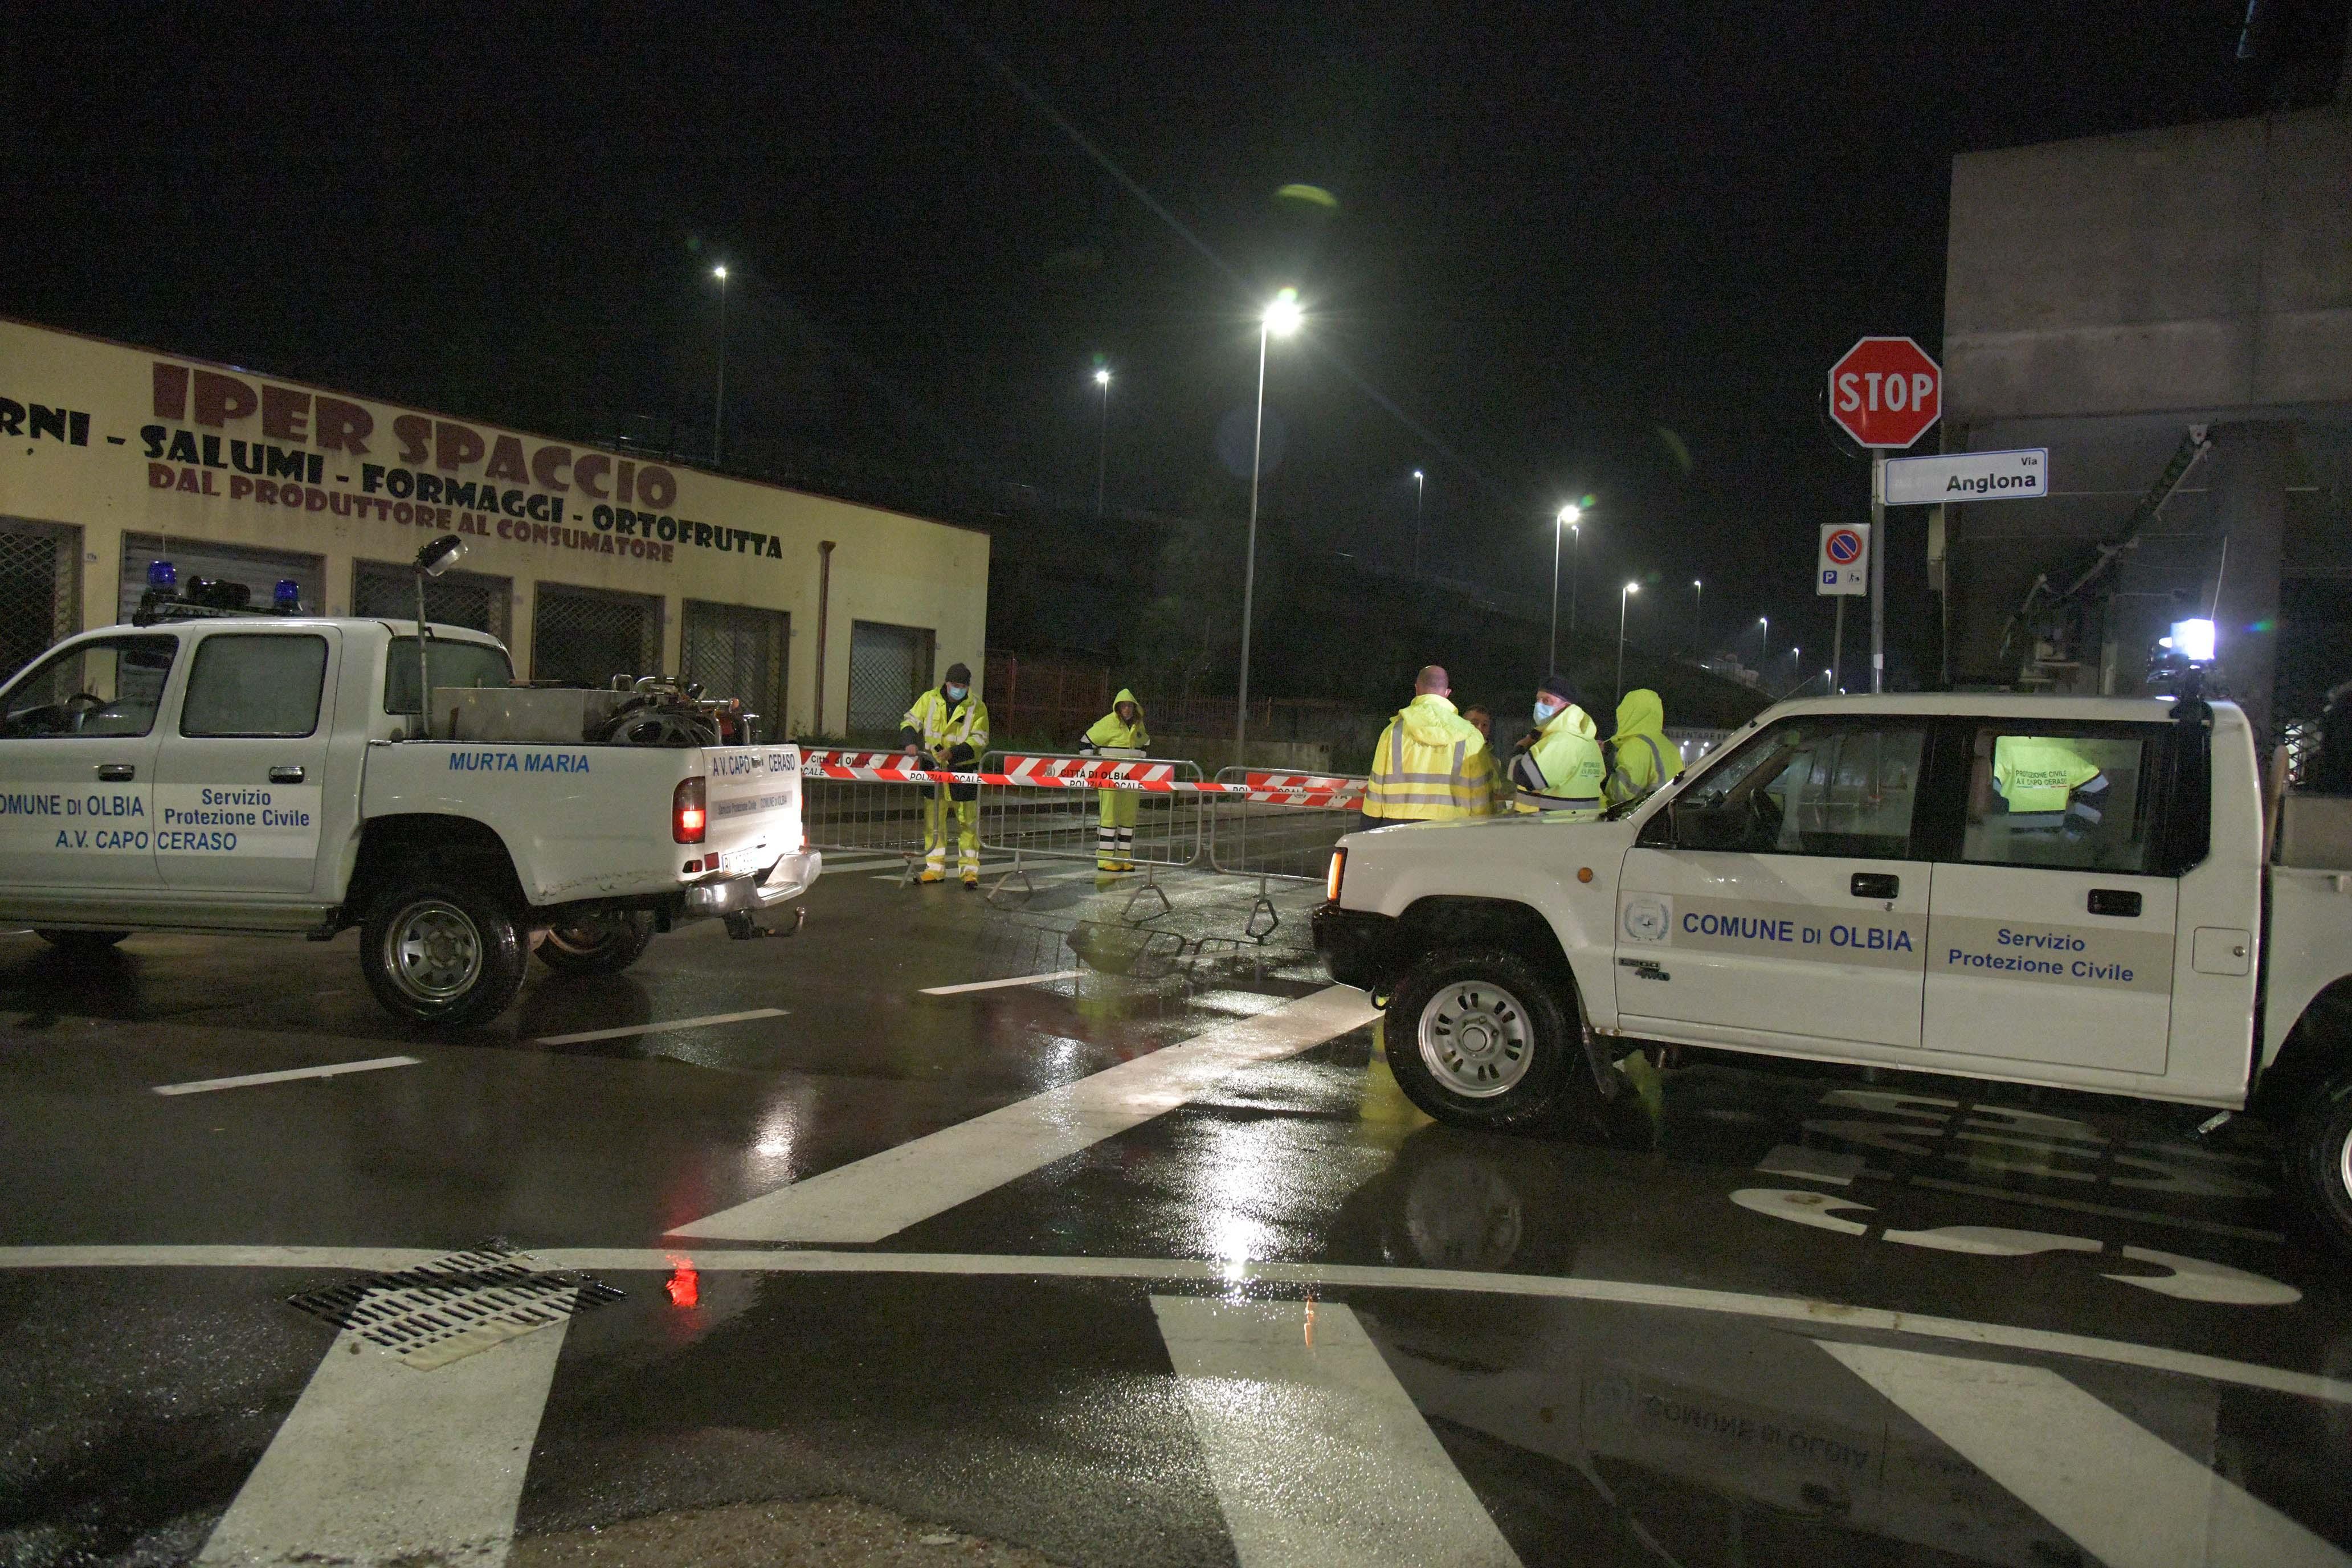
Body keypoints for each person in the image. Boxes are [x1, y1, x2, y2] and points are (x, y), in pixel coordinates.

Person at [1361, 665, 1500, 826]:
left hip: (1397, 830)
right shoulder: (1471, 735)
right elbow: (1481, 797)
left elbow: (1376, 789)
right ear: (1447, 693)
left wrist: (1368, 827)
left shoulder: (1392, 732)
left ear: (1417, 689)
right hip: (1453, 831)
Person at [900, 662, 990, 887]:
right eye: (954, 684)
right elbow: (910, 720)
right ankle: (935, 868)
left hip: (963, 770)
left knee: (968, 824)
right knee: (934, 823)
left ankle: (970, 872)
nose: (958, 689)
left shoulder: (977, 706)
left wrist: (955, 753)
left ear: (967, 686)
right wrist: (909, 741)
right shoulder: (929, 699)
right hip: (934, 768)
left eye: (962, 685)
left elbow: (980, 739)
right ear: (947, 683)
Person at [1508, 675, 1605, 820]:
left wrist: (1520, 748)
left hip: (1550, 828)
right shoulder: (1587, 741)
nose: (1538, 705)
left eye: (1546, 701)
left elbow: (1524, 776)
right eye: (1538, 700)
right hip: (1577, 827)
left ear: (1565, 707)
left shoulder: (1562, 740)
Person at [1079, 687, 1149, 871]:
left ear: (1135, 708)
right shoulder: (1108, 723)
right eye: (1123, 706)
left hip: (1132, 778)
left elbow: (1145, 748)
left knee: (1128, 818)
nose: (1126, 709)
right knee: (1109, 817)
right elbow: (1086, 742)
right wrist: (1093, 770)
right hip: (1109, 778)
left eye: (1129, 706)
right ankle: (1105, 859)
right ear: (1117, 708)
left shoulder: (1138, 725)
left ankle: (1124, 857)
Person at [1603, 688, 1674, 808]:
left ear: (1630, 713)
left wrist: (1603, 771)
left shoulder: (1636, 746)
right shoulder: (1667, 745)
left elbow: (1621, 795)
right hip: (1664, 813)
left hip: (1643, 819)